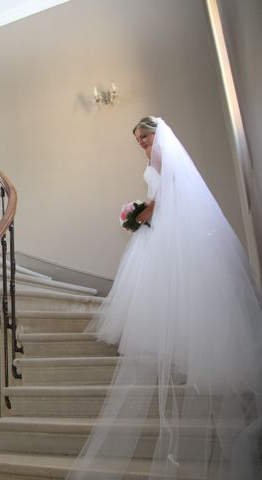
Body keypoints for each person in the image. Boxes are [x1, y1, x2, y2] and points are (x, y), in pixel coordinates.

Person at [67, 117, 262, 479]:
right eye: (138, 139)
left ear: (158, 134)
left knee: (174, 290)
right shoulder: (155, 159)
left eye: (145, 136)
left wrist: (139, 215)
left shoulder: (162, 158)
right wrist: (141, 214)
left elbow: (167, 196)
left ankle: (183, 349)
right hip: (164, 230)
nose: (142, 142)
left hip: (168, 232)